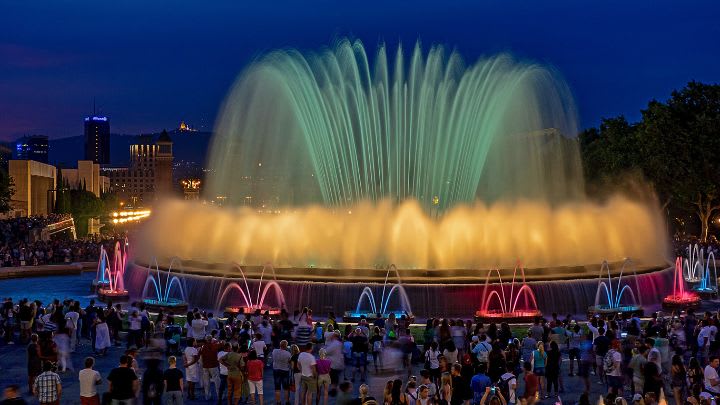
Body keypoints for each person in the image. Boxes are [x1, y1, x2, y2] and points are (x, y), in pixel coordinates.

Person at [272, 340, 291, 405]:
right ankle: (287, 401)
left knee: (277, 388)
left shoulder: (274, 351)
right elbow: (289, 361)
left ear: (280, 345)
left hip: (276, 370)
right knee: (286, 388)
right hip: (285, 370)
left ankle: (278, 401)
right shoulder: (288, 354)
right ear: (286, 346)